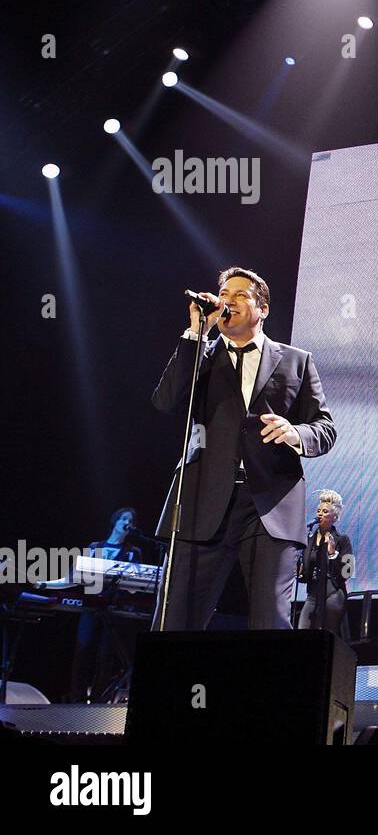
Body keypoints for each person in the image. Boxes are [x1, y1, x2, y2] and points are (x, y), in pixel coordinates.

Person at [152, 266, 337, 631]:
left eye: (239, 295)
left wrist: (295, 432)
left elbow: (325, 430)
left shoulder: (297, 360)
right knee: (176, 621)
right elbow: (165, 400)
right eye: (224, 294)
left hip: (269, 502)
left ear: (263, 308)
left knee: (271, 623)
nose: (227, 301)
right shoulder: (200, 355)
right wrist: (195, 334)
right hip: (202, 498)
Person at [68, 508, 145, 702]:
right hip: (91, 606)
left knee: (105, 656)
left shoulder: (132, 552)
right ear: (115, 521)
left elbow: (136, 585)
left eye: (131, 520)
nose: (127, 522)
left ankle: (98, 700)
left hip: (114, 608)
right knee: (83, 650)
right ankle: (76, 698)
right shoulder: (95, 547)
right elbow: (78, 575)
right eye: (123, 518)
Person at [297, 490, 352, 638]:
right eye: (318, 511)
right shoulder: (309, 539)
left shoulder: (342, 539)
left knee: (327, 637)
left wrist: (333, 553)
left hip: (333, 593)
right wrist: (300, 570)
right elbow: (304, 571)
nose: (320, 514)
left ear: (334, 517)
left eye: (325, 511)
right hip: (313, 594)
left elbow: (348, 571)